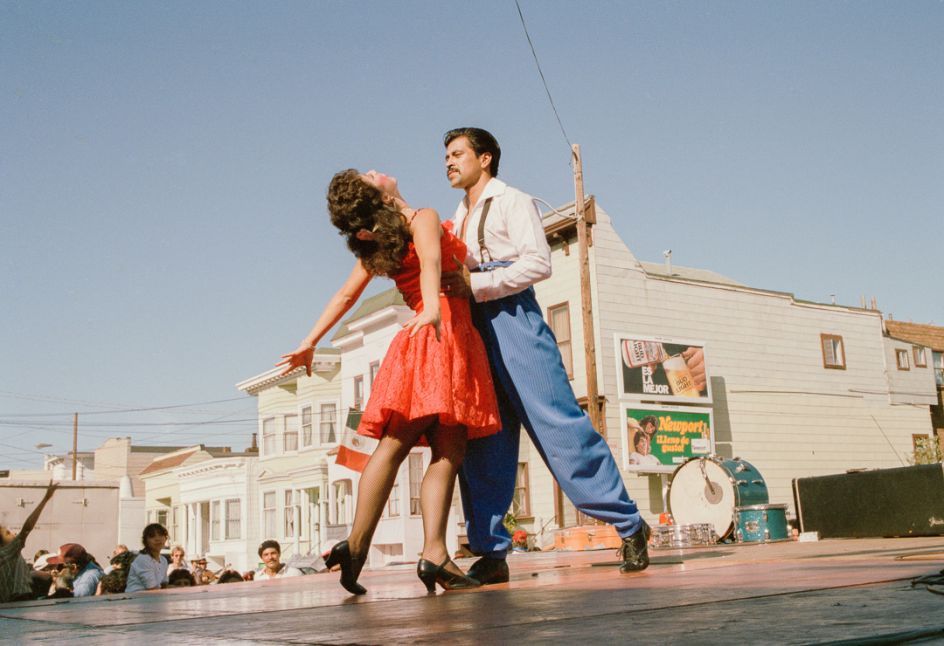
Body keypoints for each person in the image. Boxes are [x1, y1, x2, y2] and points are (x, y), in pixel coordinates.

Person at [440, 127, 651, 583]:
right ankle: (492, 551)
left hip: (513, 317)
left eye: (458, 154)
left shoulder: (513, 200)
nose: (449, 162)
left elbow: (539, 262)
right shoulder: (456, 215)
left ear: (487, 158)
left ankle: (630, 525)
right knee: (484, 439)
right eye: (447, 156)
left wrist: (477, 284)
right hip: (473, 327)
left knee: (558, 424)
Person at [277, 168, 500, 594]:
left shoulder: (379, 244)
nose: (376, 170)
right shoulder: (423, 218)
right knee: (444, 450)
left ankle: (359, 544)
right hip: (442, 331)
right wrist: (433, 308)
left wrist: (310, 341)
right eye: (369, 176)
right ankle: (432, 552)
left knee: (401, 444)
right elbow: (432, 262)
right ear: (378, 196)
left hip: (421, 333)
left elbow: (345, 296)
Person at [0, 481, 57, 603]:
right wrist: (45, 499)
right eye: (8, 533)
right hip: (14, 603)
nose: (14, 534)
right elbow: (26, 529)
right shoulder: (7, 552)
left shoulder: (11, 555)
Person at [124, 523, 169, 592]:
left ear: (165, 538)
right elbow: (152, 588)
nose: (157, 539)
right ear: (145, 541)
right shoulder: (143, 559)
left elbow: (164, 584)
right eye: (152, 536)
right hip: (135, 599)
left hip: (154, 599)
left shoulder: (163, 560)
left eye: (160, 535)